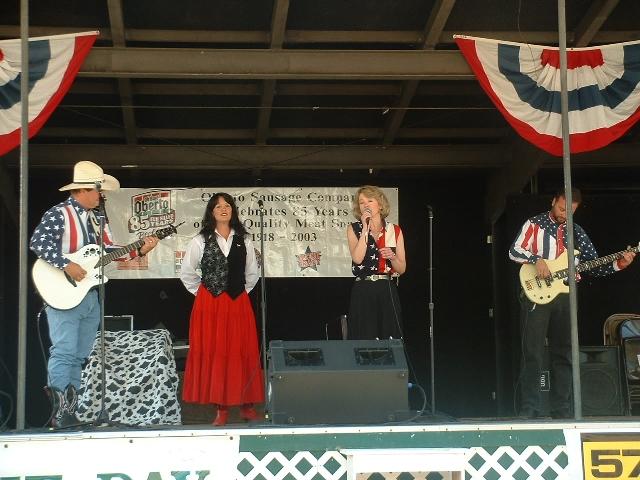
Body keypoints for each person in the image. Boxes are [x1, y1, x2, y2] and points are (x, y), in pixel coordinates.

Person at [30, 161, 158, 428]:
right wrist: (67, 264)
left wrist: (141, 248)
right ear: (84, 190)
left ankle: (70, 411)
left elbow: (110, 251)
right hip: (64, 293)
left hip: (89, 294)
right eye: (99, 191)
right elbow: (38, 242)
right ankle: (60, 412)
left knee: (79, 354)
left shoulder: (98, 220)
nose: (101, 196)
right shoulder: (60, 213)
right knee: (65, 351)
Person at [509, 188, 635, 419]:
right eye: (561, 208)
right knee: (533, 352)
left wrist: (620, 264)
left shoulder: (576, 232)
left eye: (571, 211)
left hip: (567, 295)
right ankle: (529, 407)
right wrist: (537, 259)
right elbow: (514, 250)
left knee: (565, 352)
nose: (564, 213)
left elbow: (594, 266)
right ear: (553, 200)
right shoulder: (534, 224)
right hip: (536, 293)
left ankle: (562, 409)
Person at [179, 192, 263, 426]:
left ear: (233, 210)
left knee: (241, 350)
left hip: (237, 303)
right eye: (218, 206)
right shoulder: (200, 240)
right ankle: (221, 408)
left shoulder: (244, 239)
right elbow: (187, 273)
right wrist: (205, 293)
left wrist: (239, 292)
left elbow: (252, 274)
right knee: (217, 353)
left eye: (227, 205)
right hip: (210, 305)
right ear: (211, 212)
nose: (223, 209)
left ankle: (247, 406)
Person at [346, 185, 406, 340]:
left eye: (370, 201)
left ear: (380, 204)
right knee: (365, 335)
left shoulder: (395, 230)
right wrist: (365, 228)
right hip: (363, 288)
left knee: (390, 334)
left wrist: (392, 257)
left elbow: (402, 268)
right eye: (361, 202)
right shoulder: (353, 229)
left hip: (386, 287)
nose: (365, 205)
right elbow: (357, 258)